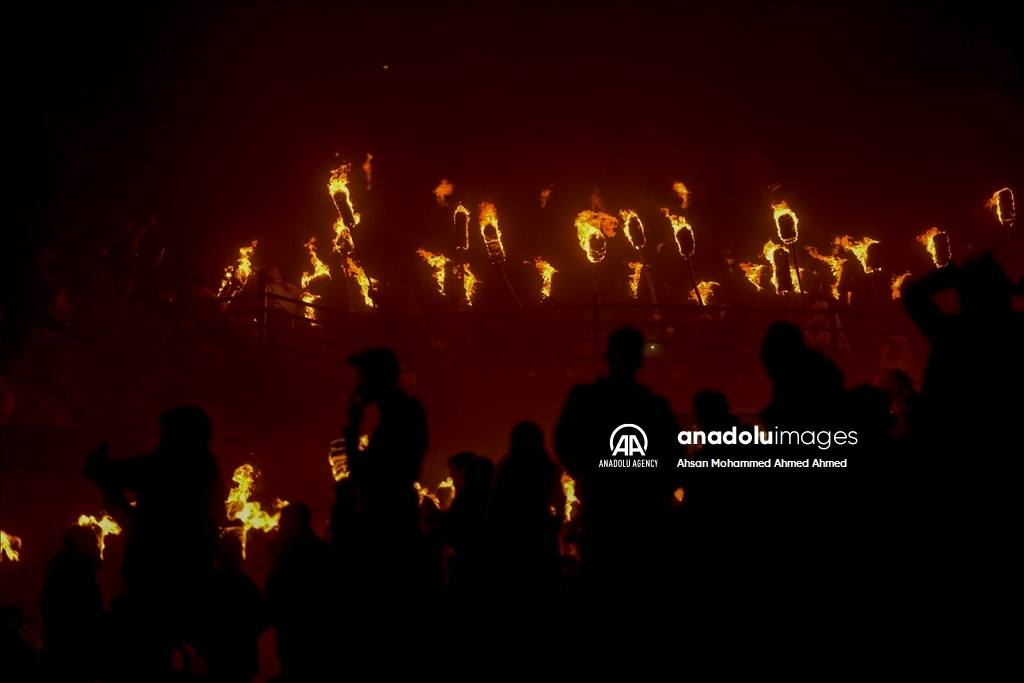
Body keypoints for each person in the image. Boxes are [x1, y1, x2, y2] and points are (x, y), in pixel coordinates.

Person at [84, 406, 225, 672]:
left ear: (182, 432)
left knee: (149, 653)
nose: (162, 440)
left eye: (166, 434)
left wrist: (103, 470)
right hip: (187, 571)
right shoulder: (204, 465)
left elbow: (136, 472)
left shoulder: (180, 460)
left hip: (158, 572)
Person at [554, 328, 681, 612]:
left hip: (606, 517)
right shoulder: (654, 408)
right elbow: (673, 459)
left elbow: (564, 442)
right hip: (640, 524)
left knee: (600, 593)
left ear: (607, 357)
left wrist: (588, 476)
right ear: (640, 361)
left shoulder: (585, 400)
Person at [490, 423, 563, 608]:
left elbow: (495, 503)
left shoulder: (507, 467)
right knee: (544, 587)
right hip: (541, 530)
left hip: (513, 532)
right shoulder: (548, 467)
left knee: (516, 589)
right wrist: (555, 524)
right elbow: (559, 500)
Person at [264, 503, 333, 680]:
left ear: (292, 522)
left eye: (283, 520)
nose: (279, 524)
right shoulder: (322, 551)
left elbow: (276, 590)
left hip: (295, 631)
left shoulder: (288, 554)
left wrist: (269, 614)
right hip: (319, 632)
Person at [40, 526, 106, 682]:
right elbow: (86, 620)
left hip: (63, 663)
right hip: (71, 666)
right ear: (82, 545)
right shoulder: (73, 573)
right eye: (94, 543)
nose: (99, 547)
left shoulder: (62, 569)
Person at [205, 533, 266, 683]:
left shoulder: (212, 587)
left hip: (219, 659)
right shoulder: (247, 586)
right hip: (244, 659)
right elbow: (261, 621)